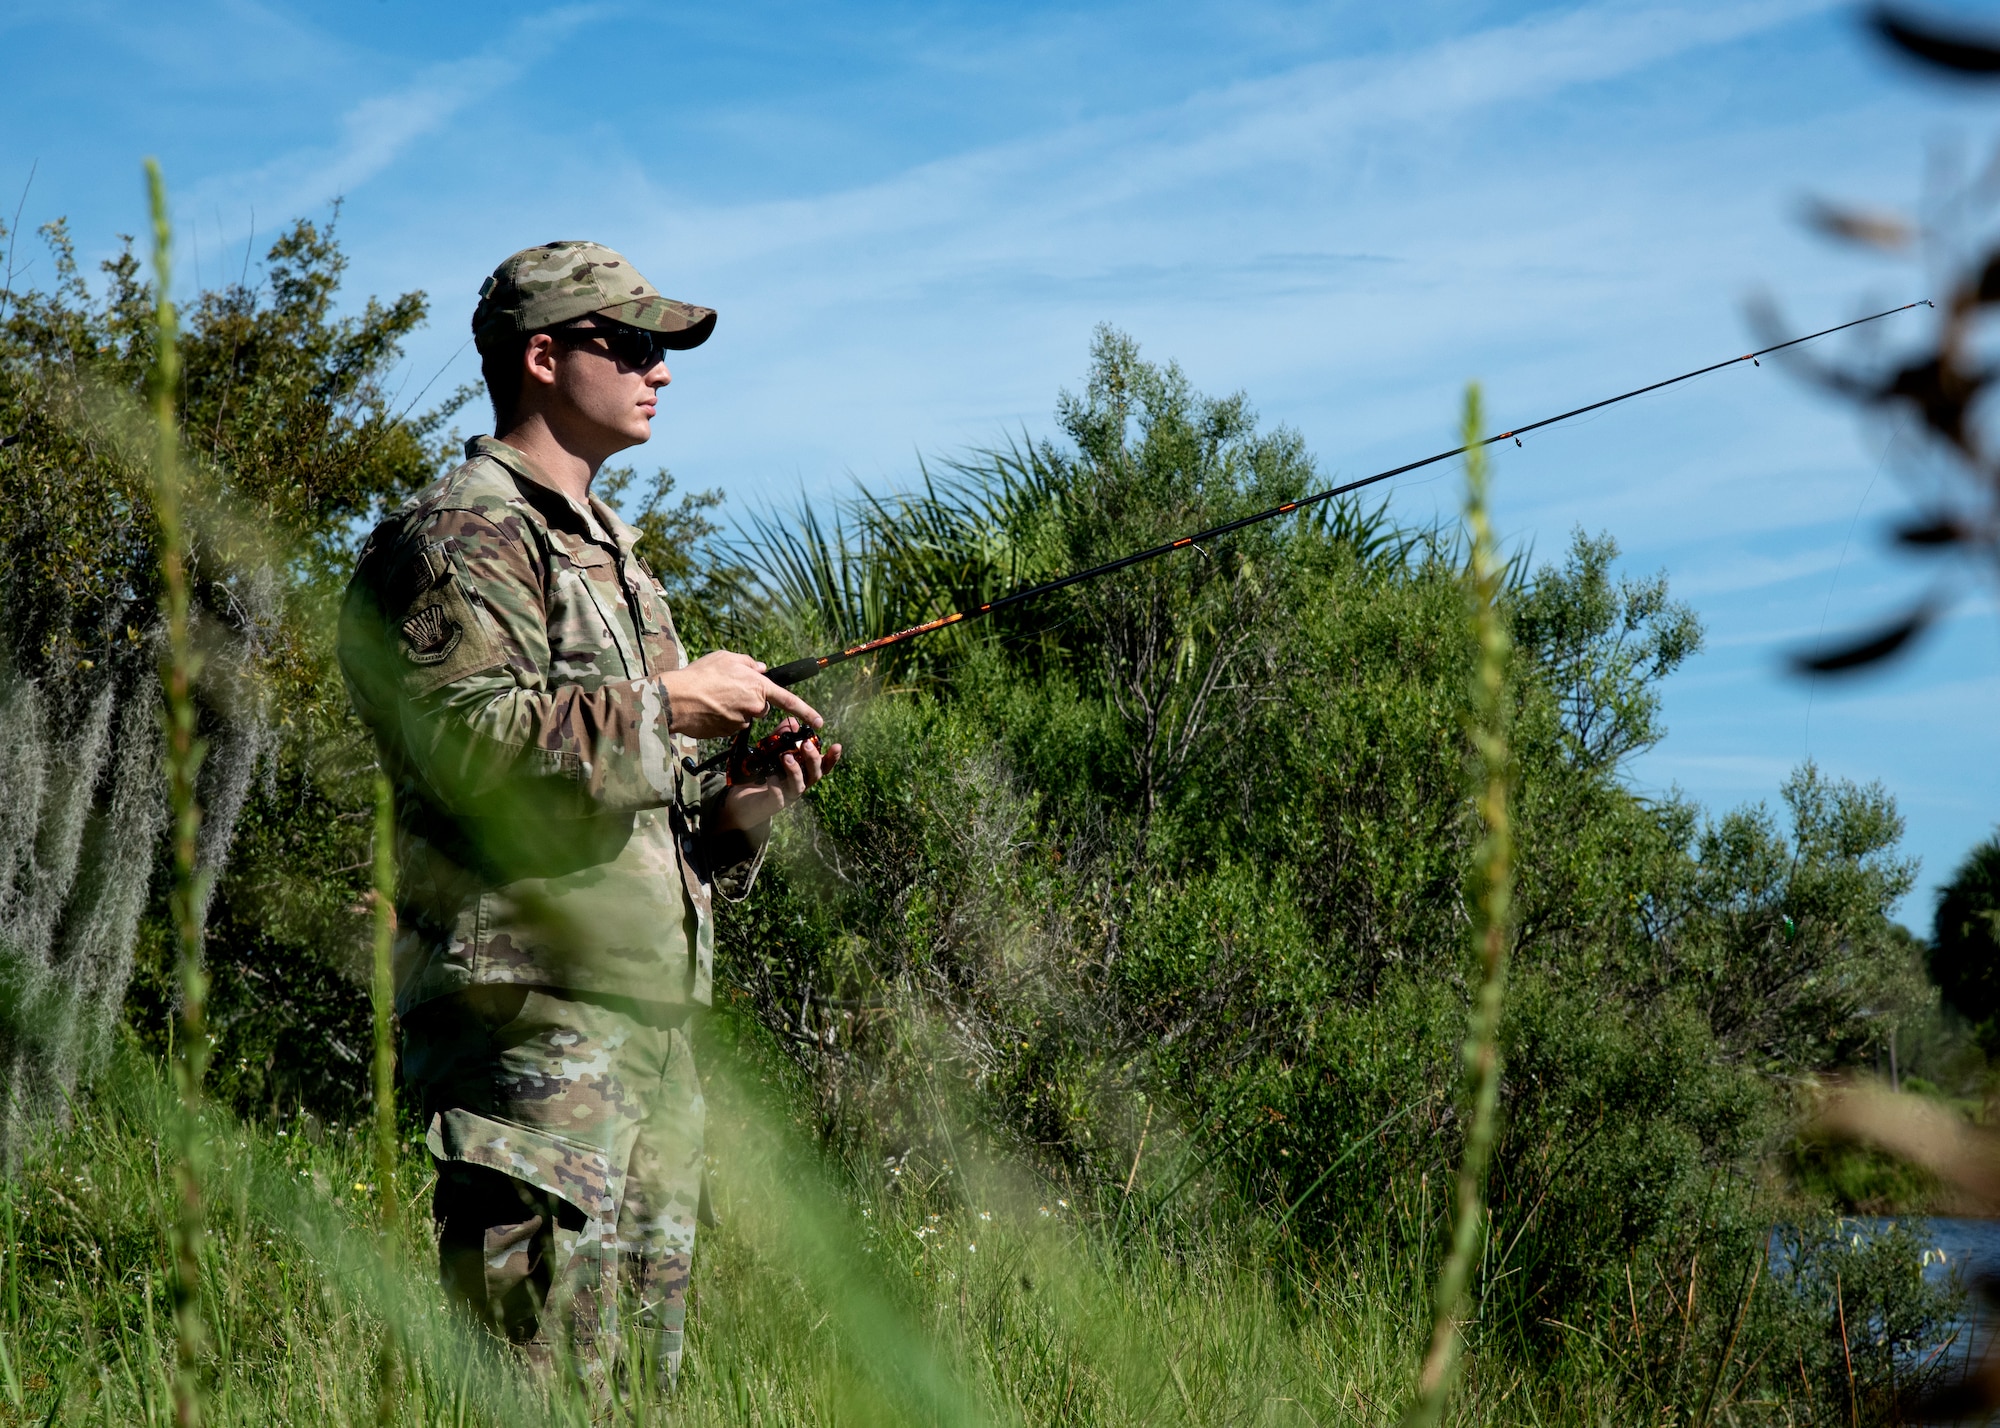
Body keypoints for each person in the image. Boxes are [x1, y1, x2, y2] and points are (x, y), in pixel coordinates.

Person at [337, 240, 838, 1396]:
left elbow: (609, 795)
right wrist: (669, 702)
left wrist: (730, 824)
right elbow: (467, 745)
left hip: (642, 1021)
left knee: (639, 1379)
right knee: (535, 1377)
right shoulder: (462, 538)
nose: (660, 372)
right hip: (531, 1016)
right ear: (544, 356)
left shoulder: (617, 557)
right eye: (634, 346)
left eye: (661, 352)